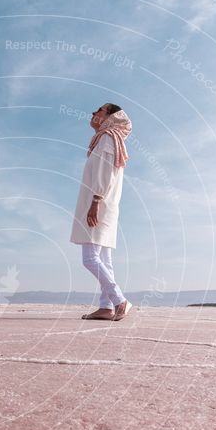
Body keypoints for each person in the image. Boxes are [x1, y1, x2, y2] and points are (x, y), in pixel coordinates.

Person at [70, 102, 133, 321]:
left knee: (90, 258)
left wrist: (96, 199)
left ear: (110, 117)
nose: (93, 112)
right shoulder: (108, 139)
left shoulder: (108, 138)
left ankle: (119, 300)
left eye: (99, 110)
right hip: (103, 203)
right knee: (104, 259)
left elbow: (105, 172)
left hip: (99, 203)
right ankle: (106, 307)